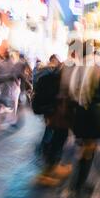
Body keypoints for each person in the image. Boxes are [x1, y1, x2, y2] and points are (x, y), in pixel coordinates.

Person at [64, 40, 100, 198]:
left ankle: (77, 184)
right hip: (91, 112)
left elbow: (71, 89)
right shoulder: (98, 65)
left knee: (85, 147)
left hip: (79, 111)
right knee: (89, 148)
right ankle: (77, 186)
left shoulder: (78, 67)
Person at [33, 54, 73, 187]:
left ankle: (52, 168)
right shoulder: (69, 66)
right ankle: (47, 173)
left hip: (55, 109)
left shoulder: (64, 66)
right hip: (58, 110)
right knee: (58, 137)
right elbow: (66, 90)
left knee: (58, 136)